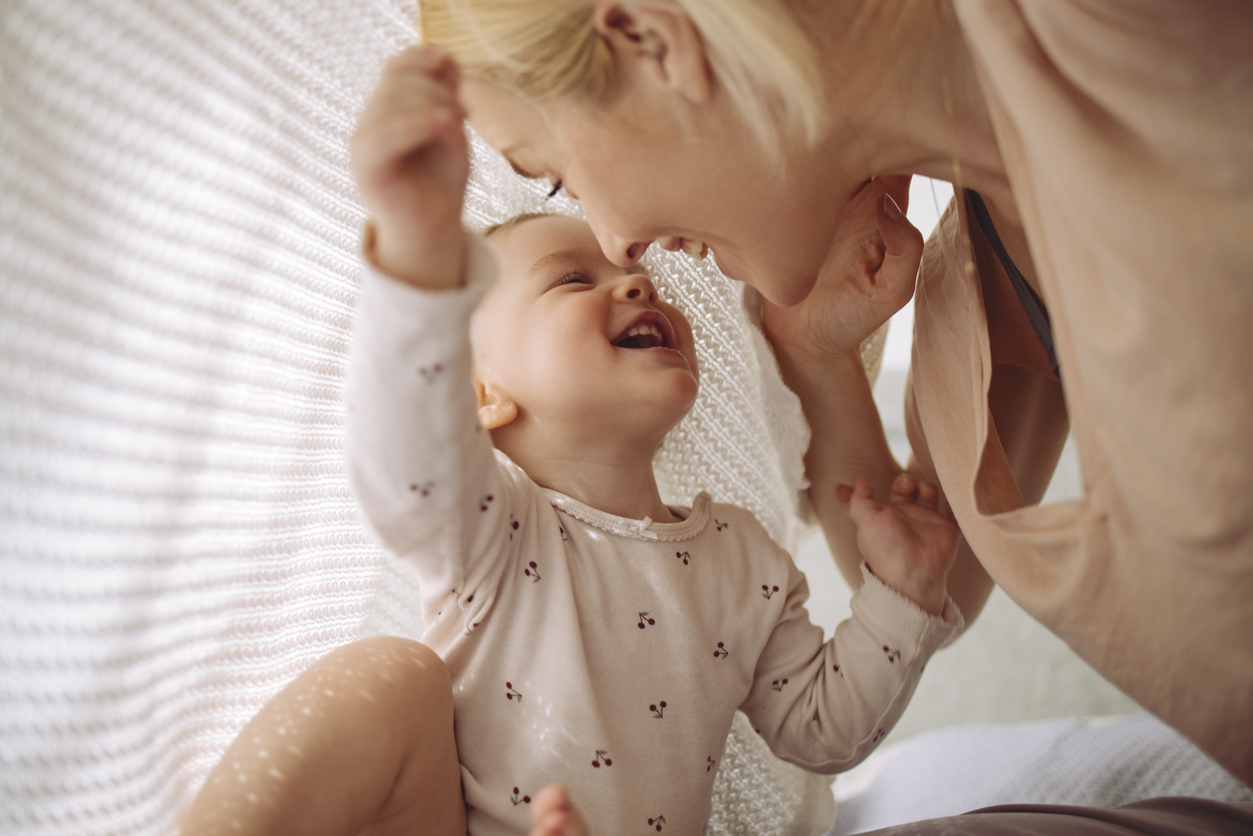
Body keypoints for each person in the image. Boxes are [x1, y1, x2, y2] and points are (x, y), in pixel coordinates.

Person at [418, 0, 1253, 801]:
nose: (620, 244)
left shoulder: (1130, 35)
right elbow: (944, 575)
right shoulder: (977, 280)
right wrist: (814, 356)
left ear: (653, 43)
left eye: (558, 176)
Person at [178, 49, 964, 836]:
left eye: (640, 284)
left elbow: (821, 731)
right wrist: (416, 256)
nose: (634, 282)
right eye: (570, 281)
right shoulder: (493, 529)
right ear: (481, 396)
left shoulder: (741, 558)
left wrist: (901, 596)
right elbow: (407, 459)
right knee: (386, 678)